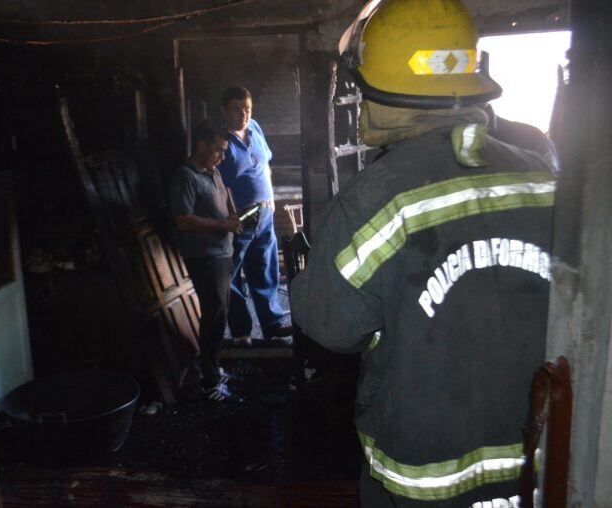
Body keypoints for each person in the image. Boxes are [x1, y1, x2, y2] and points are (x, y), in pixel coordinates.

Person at [291, 1, 556, 506]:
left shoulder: (375, 198)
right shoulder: (545, 177)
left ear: (381, 90)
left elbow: (330, 326)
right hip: (537, 470)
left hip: (423, 481)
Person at [169, 120, 243, 402]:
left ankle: (213, 367)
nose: (222, 157)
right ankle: (209, 380)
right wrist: (222, 224)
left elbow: (225, 199)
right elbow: (183, 220)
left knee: (219, 314)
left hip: (223, 253)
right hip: (205, 257)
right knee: (214, 316)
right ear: (201, 145)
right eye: (219, 150)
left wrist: (234, 216)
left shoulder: (212, 171)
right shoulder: (185, 177)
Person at [218, 86, 292, 346]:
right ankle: (241, 332)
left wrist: (271, 197)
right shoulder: (223, 142)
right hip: (241, 216)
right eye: (237, 110)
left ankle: (272, 324)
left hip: (264, 212)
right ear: (224, 111)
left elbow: (265, 164)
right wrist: (231, 215)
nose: (243, 115)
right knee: (233, 274)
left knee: (265, 268)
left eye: (247, 109)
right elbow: (221, 184)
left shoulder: (255, 129)